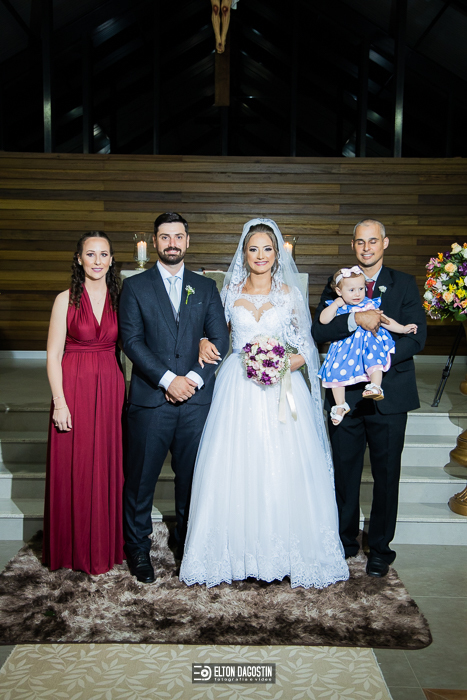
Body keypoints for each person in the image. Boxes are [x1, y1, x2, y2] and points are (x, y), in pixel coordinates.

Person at [179, 218, 349, 589]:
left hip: (282, 388)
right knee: (236, 466)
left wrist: (280, 363)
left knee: (282, 465)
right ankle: (236, 553)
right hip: (237, 386)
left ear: (277, 254)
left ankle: (283, 554)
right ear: (244, 253)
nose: (260, 255)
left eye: (267, 249)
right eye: (253, 249)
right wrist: (203, 342)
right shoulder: (228, 292)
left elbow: (306, 349)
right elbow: (215, 337)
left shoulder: (289, 294)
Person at [119, 212, 229, 584]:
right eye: (165, 237)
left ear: (187, 241)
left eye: (178, 236)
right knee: (140, 480)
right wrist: (168, 380)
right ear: (154, 241)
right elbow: (131, 341)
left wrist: (193, 380)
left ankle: (188, 544)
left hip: (195, 404)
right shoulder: (135, 286)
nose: (172, 243)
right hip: (151, 400)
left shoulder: (205, 287)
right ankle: (137, 547)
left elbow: (220, 339)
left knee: (192, 480)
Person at [312, 219, 426, 578]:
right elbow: (319, 330)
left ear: (384, 243)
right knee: (344, 472)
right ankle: (344, 541)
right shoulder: (339, 282)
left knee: (386, 475)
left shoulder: (403, 283)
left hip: (388, 393)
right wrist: (354, 320)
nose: (366, 248)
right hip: (345, 396)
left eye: (373, 241)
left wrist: (377, 359)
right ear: (353, 245)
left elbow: (416, 337)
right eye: (360, 242)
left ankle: (380, 548)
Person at [43, 231, 125, 575]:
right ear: (79, 259)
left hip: (110, 386)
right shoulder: (65, 299)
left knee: (105, 464)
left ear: (111, 260)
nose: (97, 261)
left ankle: (104, 544)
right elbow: (52, 355)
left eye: (103, 254)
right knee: (72, 466)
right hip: (73, 387)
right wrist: (59, 402)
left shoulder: (121, 298)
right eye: (90, 254)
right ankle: (70, 548)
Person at [318, 265, 418, 425]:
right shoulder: (338, 306)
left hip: (369, 342)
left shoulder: (369, 304)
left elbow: (385, 320)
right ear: (339, 291)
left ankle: (376, 386)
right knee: (335, 371)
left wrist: (402, 328)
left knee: (374, 358)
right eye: (351, 290)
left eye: (361, 288)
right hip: (346, 349)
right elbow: (323, 320)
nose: (357, 294)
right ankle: (340, 405)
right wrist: (336, 304)